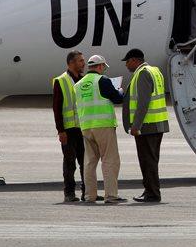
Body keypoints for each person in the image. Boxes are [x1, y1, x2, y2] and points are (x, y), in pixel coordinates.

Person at [74, 55, 126, 204]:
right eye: (103, 67)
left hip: (86, 127)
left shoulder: (78, 84)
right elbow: (117, 98)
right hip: (103, 125)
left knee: (90, 162)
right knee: (109, 160)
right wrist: (120, 91)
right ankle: (111, 195)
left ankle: (90, 196)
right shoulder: (102, 80)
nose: (104, 70)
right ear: (100, 66)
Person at [122, 48, 169, 203]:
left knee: (147, 160)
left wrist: (136, 125)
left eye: (128, 62)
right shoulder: (155, 71)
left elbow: (143, 102)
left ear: (135, 60)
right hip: (158, 123)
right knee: (151, 160)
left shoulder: (142, 74)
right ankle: (151, 191)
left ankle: (152, 193)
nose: (127, 66)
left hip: (147, 126)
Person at [54, 50, 85, 202]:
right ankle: (69, 193)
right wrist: (61, 130)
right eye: (80, 61)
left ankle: (88, 191)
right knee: (70, 162)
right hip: (68, 129)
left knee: (86, 161)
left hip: (83, 128)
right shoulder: (61, 81)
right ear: (71, 63)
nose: (83, 63)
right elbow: (57, 108)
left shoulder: (84, 79)